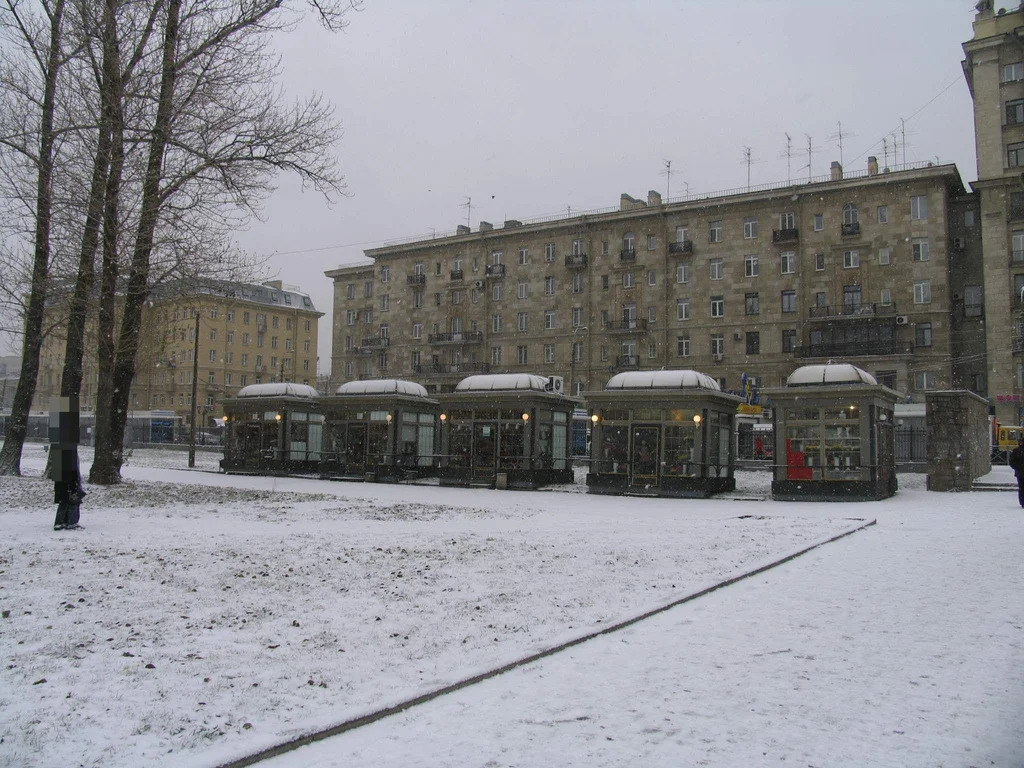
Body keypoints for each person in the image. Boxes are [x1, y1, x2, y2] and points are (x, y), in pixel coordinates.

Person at [48, 395, 85, 531]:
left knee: (64, 494)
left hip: (61, 461)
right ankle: (71, 521)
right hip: (67, 461)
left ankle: (61, 521)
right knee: (73, 493)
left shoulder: (57, 433)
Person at [1009, 438, 1024, 509]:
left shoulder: (1016, 451)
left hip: (1020, 473)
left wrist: (1018, 468)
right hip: (1020, 472)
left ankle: (1022, 502)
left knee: (1021, 488)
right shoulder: (1017, 451)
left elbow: (1012, 462)